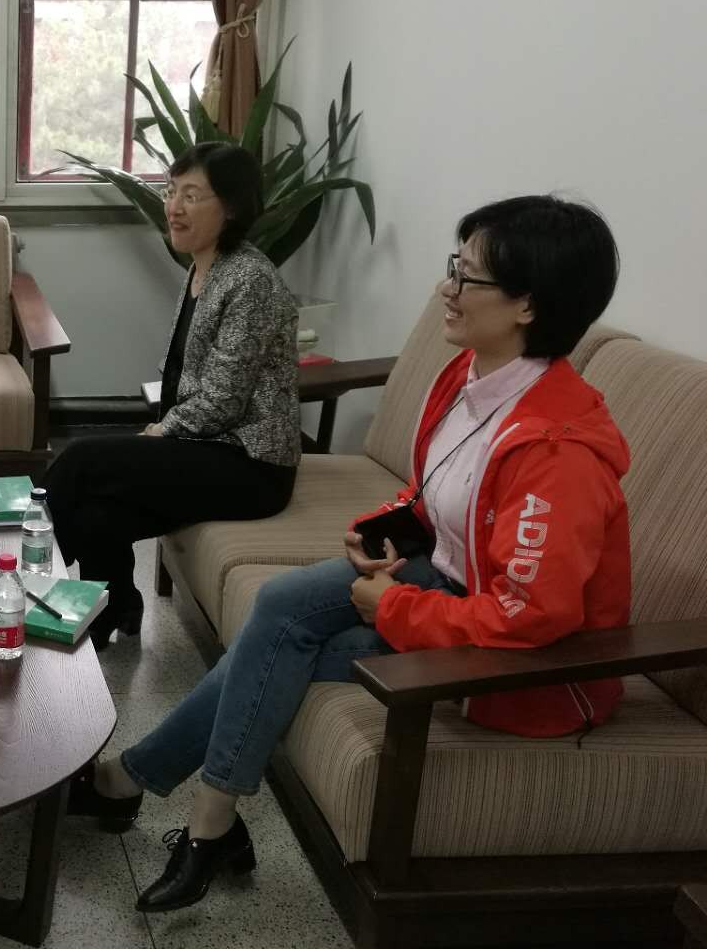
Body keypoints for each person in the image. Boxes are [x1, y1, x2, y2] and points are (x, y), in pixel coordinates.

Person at [67, 194, 630, 912]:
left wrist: (393, 606)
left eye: (467, 276)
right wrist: (381, 530)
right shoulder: (470, 379)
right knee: (278, 606)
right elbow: (444, 495)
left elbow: (533, 616)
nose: (445, 288)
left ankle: (188, 814)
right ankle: (172, 807)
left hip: (526, 664)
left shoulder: (558, 453)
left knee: (278, 648)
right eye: (453, 266)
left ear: (527, 304)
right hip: (451, 584)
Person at [44, 142, 301, 647]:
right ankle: (115, 607)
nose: (174, 207)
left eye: (192, 195)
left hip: (250, 465)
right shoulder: (204, 266)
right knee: (96, 513)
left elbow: (223, 399)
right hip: (208, 444)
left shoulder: (250, 280)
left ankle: (19, 575)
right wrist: (167, 429)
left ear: (231, 207)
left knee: (81, 461)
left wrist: (164, 430)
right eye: (170, 191)